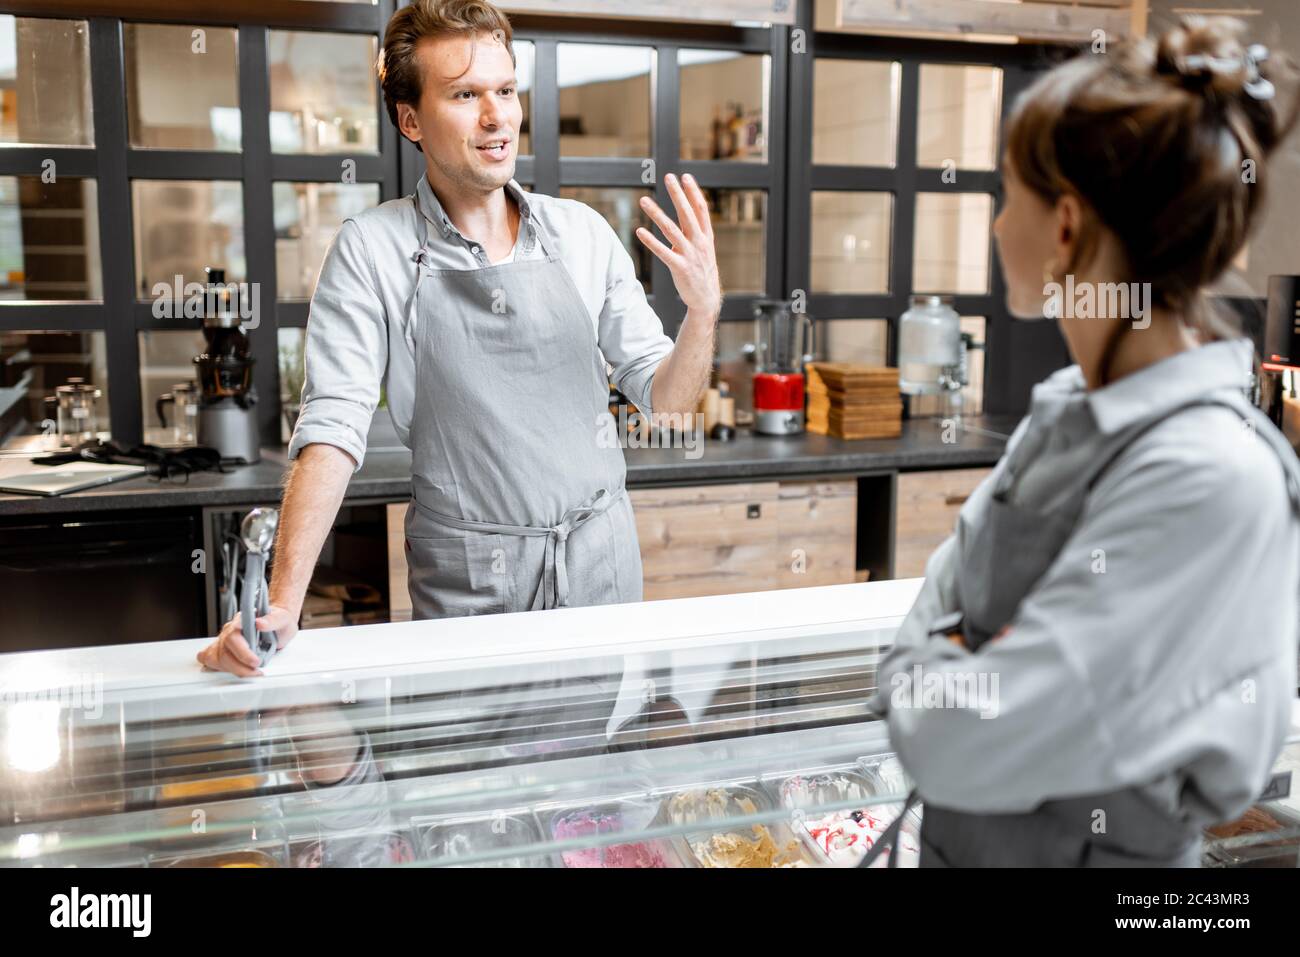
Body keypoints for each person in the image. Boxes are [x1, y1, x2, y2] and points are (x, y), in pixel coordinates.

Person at [870, 16, 1300, 866]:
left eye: (1007, 196)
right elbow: (935, 624)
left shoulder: (1212, 476)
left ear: (1065, 227)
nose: (996, 228)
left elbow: (948, 738)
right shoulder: (1067, 406)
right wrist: (944, 665)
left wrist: (939, 668)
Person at [199, 0, 721, 676]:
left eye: (505, 90)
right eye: (466, 94)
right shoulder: (372, 251)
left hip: (601, 571)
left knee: (600, 774)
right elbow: (331, 429)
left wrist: (702, 315)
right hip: (474, 585)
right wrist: (282, 603)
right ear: (410, 119)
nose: (496, 115)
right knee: (472, 773)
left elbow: (670, 405)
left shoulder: (582, 235)